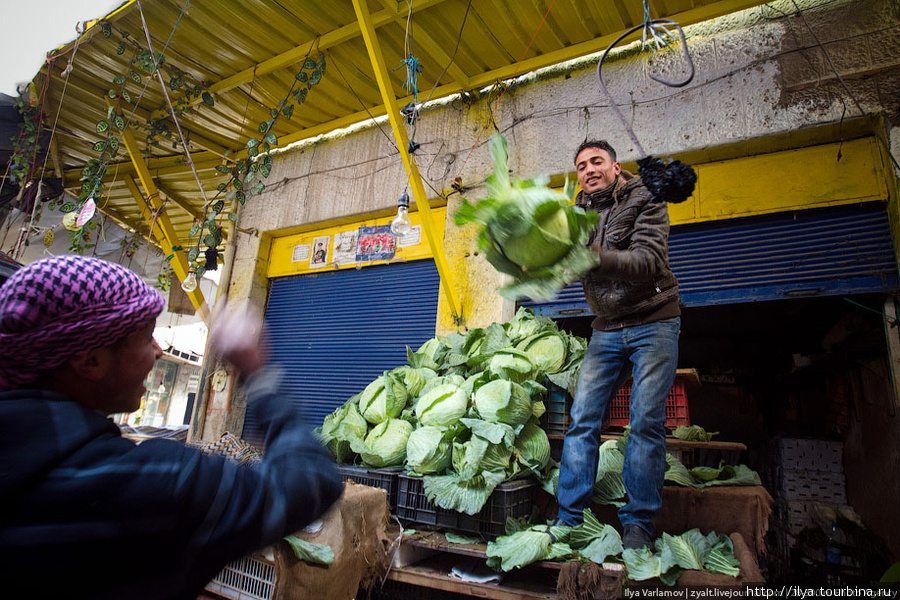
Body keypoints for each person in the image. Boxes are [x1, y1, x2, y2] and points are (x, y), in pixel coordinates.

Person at [0, 255, 343, 599]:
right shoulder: (149, 484)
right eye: (148, 336)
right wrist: (257, 373)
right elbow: (308, 483)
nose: (159, 349)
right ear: (91, 361)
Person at [555, 140, 680, 550]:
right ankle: (569, 517)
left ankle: (638, 525)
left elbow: (648, 262)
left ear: (615, 166)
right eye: (581, 166)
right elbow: (565, 265)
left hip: (653, 320)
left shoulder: (647, 198)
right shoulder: (577, 215)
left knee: (644, 422)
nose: (588, 170)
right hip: (606, 327)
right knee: (582, 420)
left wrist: (595, 257)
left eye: (596, 162)